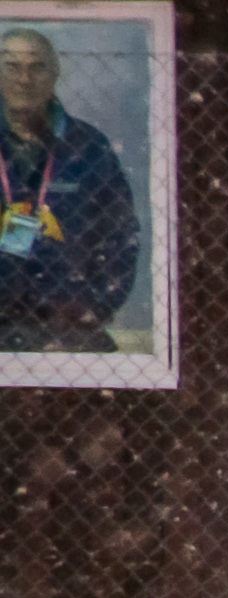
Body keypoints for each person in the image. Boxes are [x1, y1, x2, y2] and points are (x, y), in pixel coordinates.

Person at [0, 27, 138, 353]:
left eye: (37, 67)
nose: (25, 79)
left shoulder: (87, 147)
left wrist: (91, 312)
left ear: (55, 74)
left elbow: (121, 235)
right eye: (12, 66)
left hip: (69, 326)